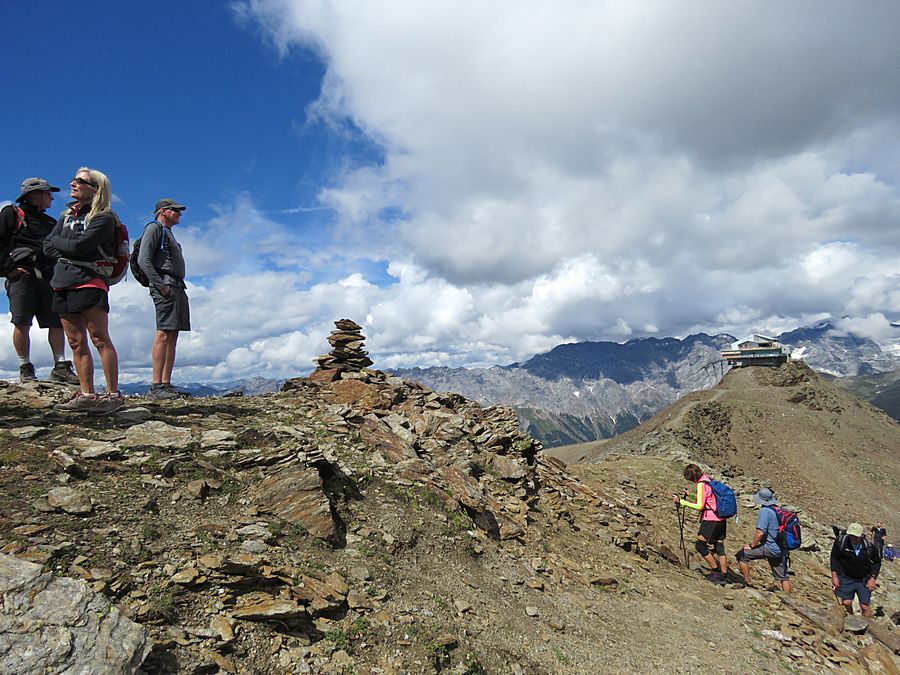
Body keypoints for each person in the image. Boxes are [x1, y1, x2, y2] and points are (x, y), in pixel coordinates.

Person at [43, 167, 123, 413]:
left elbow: (80, 245)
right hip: (63, 283)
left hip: (90, 281)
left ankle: (112, 394)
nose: (73, 184)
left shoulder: (104, 218)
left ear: (95, 189)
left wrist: (61, 244)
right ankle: (87, 393)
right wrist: (66, 246)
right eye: (74, 179)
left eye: (81, 181)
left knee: (99, 338)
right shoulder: (66, 217)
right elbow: (48, 247)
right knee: (76, 341)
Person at [0, 178, 78, 384]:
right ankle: (25, 367)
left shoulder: (51, 222)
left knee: (56, 321)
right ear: (34, 194)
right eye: (47, 193)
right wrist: (9, 269)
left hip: (49, 277)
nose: (51, 197)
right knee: (22, 321)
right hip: (23, 276)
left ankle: (60, 366)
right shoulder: (11, 214)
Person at [136, 198, 190, 400]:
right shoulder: (154, 228)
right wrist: (160, 285)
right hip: (166, 286)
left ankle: (165, 383)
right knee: (164, 333)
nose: (179, 214)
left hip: (175, 285)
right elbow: (144, 259)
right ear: (163, 211)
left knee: (172, 333)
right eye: (175, 210)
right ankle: (157, 385)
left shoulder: (168, 233)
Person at [672, 463, 728, 585]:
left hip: (711, 520)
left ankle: (716, 572)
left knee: (700, 546)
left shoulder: (701, 484)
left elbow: (699, 506)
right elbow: (707, 500)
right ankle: (724, 575)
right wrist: (691, 495)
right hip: (721, 519)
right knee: (719, 548)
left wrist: (681, 502)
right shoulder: (708, 480)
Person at [735, 487, 792, 593]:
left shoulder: (765, 511)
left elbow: (760, 532)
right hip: (781, 548)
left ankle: (747, 583)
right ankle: (789, 599)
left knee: (742, 555)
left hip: (770, 547)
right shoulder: (778, 510)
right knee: (783, 577)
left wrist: (752, 545)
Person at [831, 522, 880, 617]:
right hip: (846, 577)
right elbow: (834, 558)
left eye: (855, 536)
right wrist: (834, 576)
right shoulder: (841, 543)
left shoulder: (869, 547)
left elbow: (877, 562)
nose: (853, 538)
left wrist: (873, 578)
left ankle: (869, 626)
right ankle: (852, 618)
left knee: (865, 606)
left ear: (861, 536)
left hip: (864, 579)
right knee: (846, 602)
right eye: (851, 535)